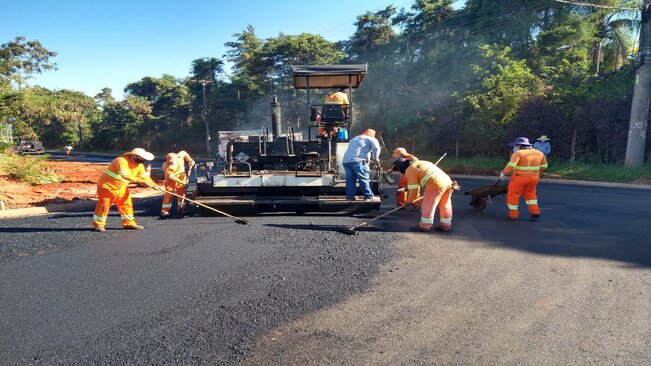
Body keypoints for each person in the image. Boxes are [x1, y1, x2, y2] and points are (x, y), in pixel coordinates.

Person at [92, 148, 159, 232]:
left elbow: (144, 177)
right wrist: (140, 181)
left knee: (126, 205)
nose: (143, 160)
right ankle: (98, 224)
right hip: (107, 187)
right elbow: (124, 175)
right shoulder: (121, 161)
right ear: (134, 156)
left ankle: (129, 223)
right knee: (104, 206)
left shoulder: (139, 165)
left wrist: (153, 185)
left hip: (121, 187)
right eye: (142, 158)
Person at [394, 157, 455, 232]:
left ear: (400, 167)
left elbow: (413, 188)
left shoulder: (409, 170)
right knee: (445, 204)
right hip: (448, 182)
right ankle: (446, 225)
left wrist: (410, 201)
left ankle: (425, 226)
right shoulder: (422, 162)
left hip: (434, 184)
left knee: (428, 205)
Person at [501, 137, 548, 220]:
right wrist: (536, 172)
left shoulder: (518, 153)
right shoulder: (539, 153)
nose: (514, 147)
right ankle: (535, 212)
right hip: (534, 178)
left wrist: (503, 173)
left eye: (515, 145)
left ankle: (513, 214)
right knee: (530, 194)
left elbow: (511, 165)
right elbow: (544, 166)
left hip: (519, 178)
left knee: (513, 195)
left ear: (519, 145)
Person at [342, 129, 381, 201]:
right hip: (359, 161)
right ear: (371, 134)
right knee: (363, 178)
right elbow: (376, 149)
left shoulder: (354, 139)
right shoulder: (371, 138)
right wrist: (375, 159)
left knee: (350, 180)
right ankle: (368, 196)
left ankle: (350, 197)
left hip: (346, 161)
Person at [160, 150, 195, 217]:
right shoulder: (166, 166)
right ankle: (165, 210)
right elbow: (172, 177)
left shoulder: (180, 155)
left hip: (181, 175)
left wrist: (190, 160)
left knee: (182, 193)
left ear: (177, 158)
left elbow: (184, 152)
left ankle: (182, 208)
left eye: (173, 161)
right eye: (170, 162)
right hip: (171, 180)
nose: (172, 163)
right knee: (169, 194)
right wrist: (182, 182)